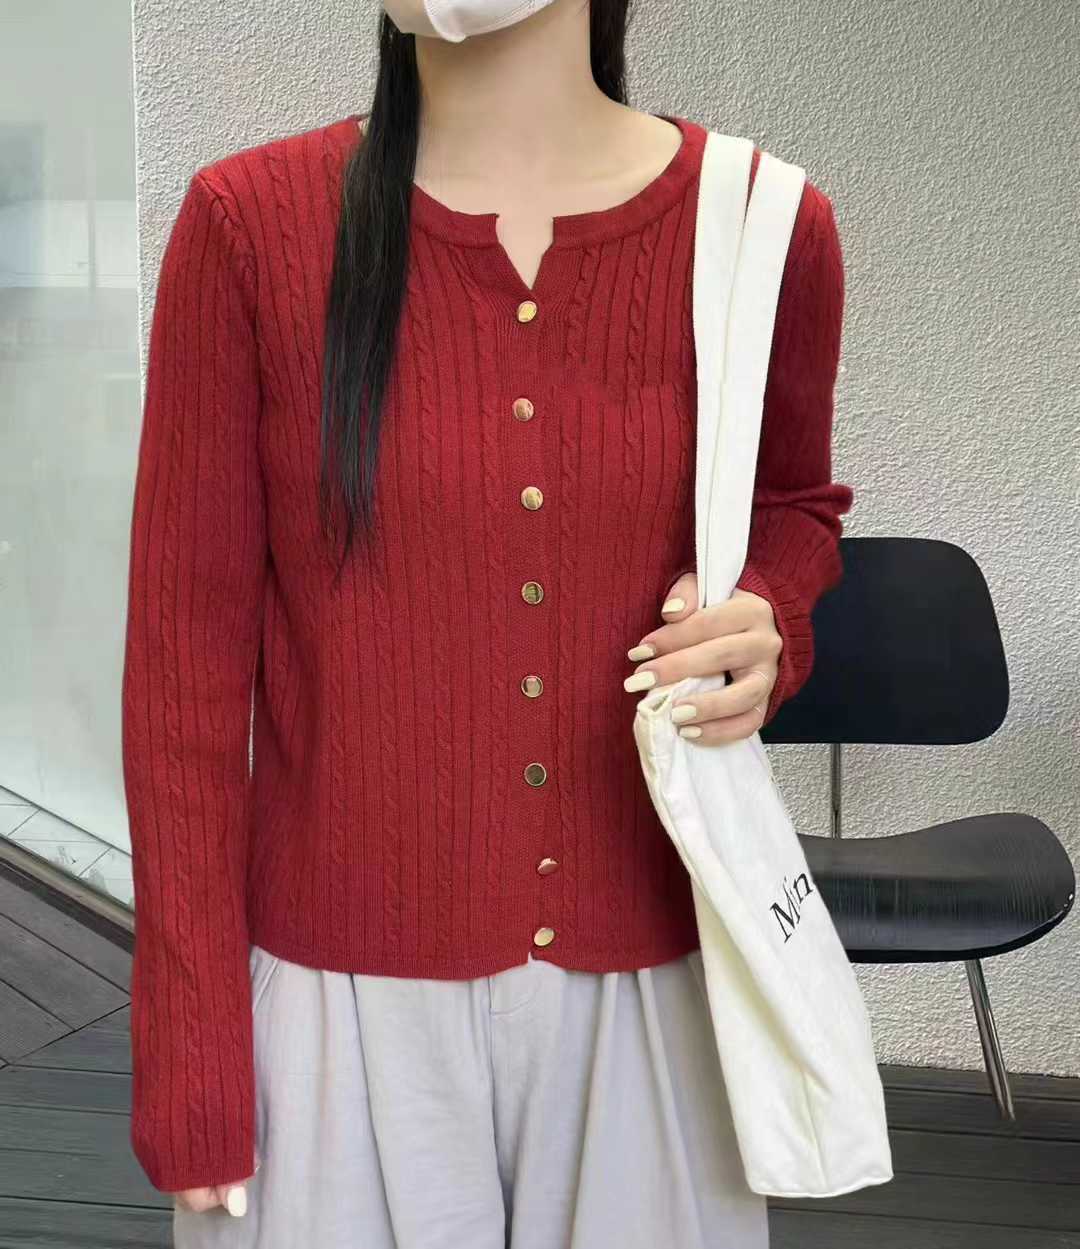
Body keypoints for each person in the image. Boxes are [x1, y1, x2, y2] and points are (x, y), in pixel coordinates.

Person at [120, 0, 853, 1244]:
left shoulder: (762, 222)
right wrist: (193, 1047)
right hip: (335, 1006)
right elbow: (180, 678)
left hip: (657, 986)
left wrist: (769, 619)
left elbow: (793, 505)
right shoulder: (250, 226)